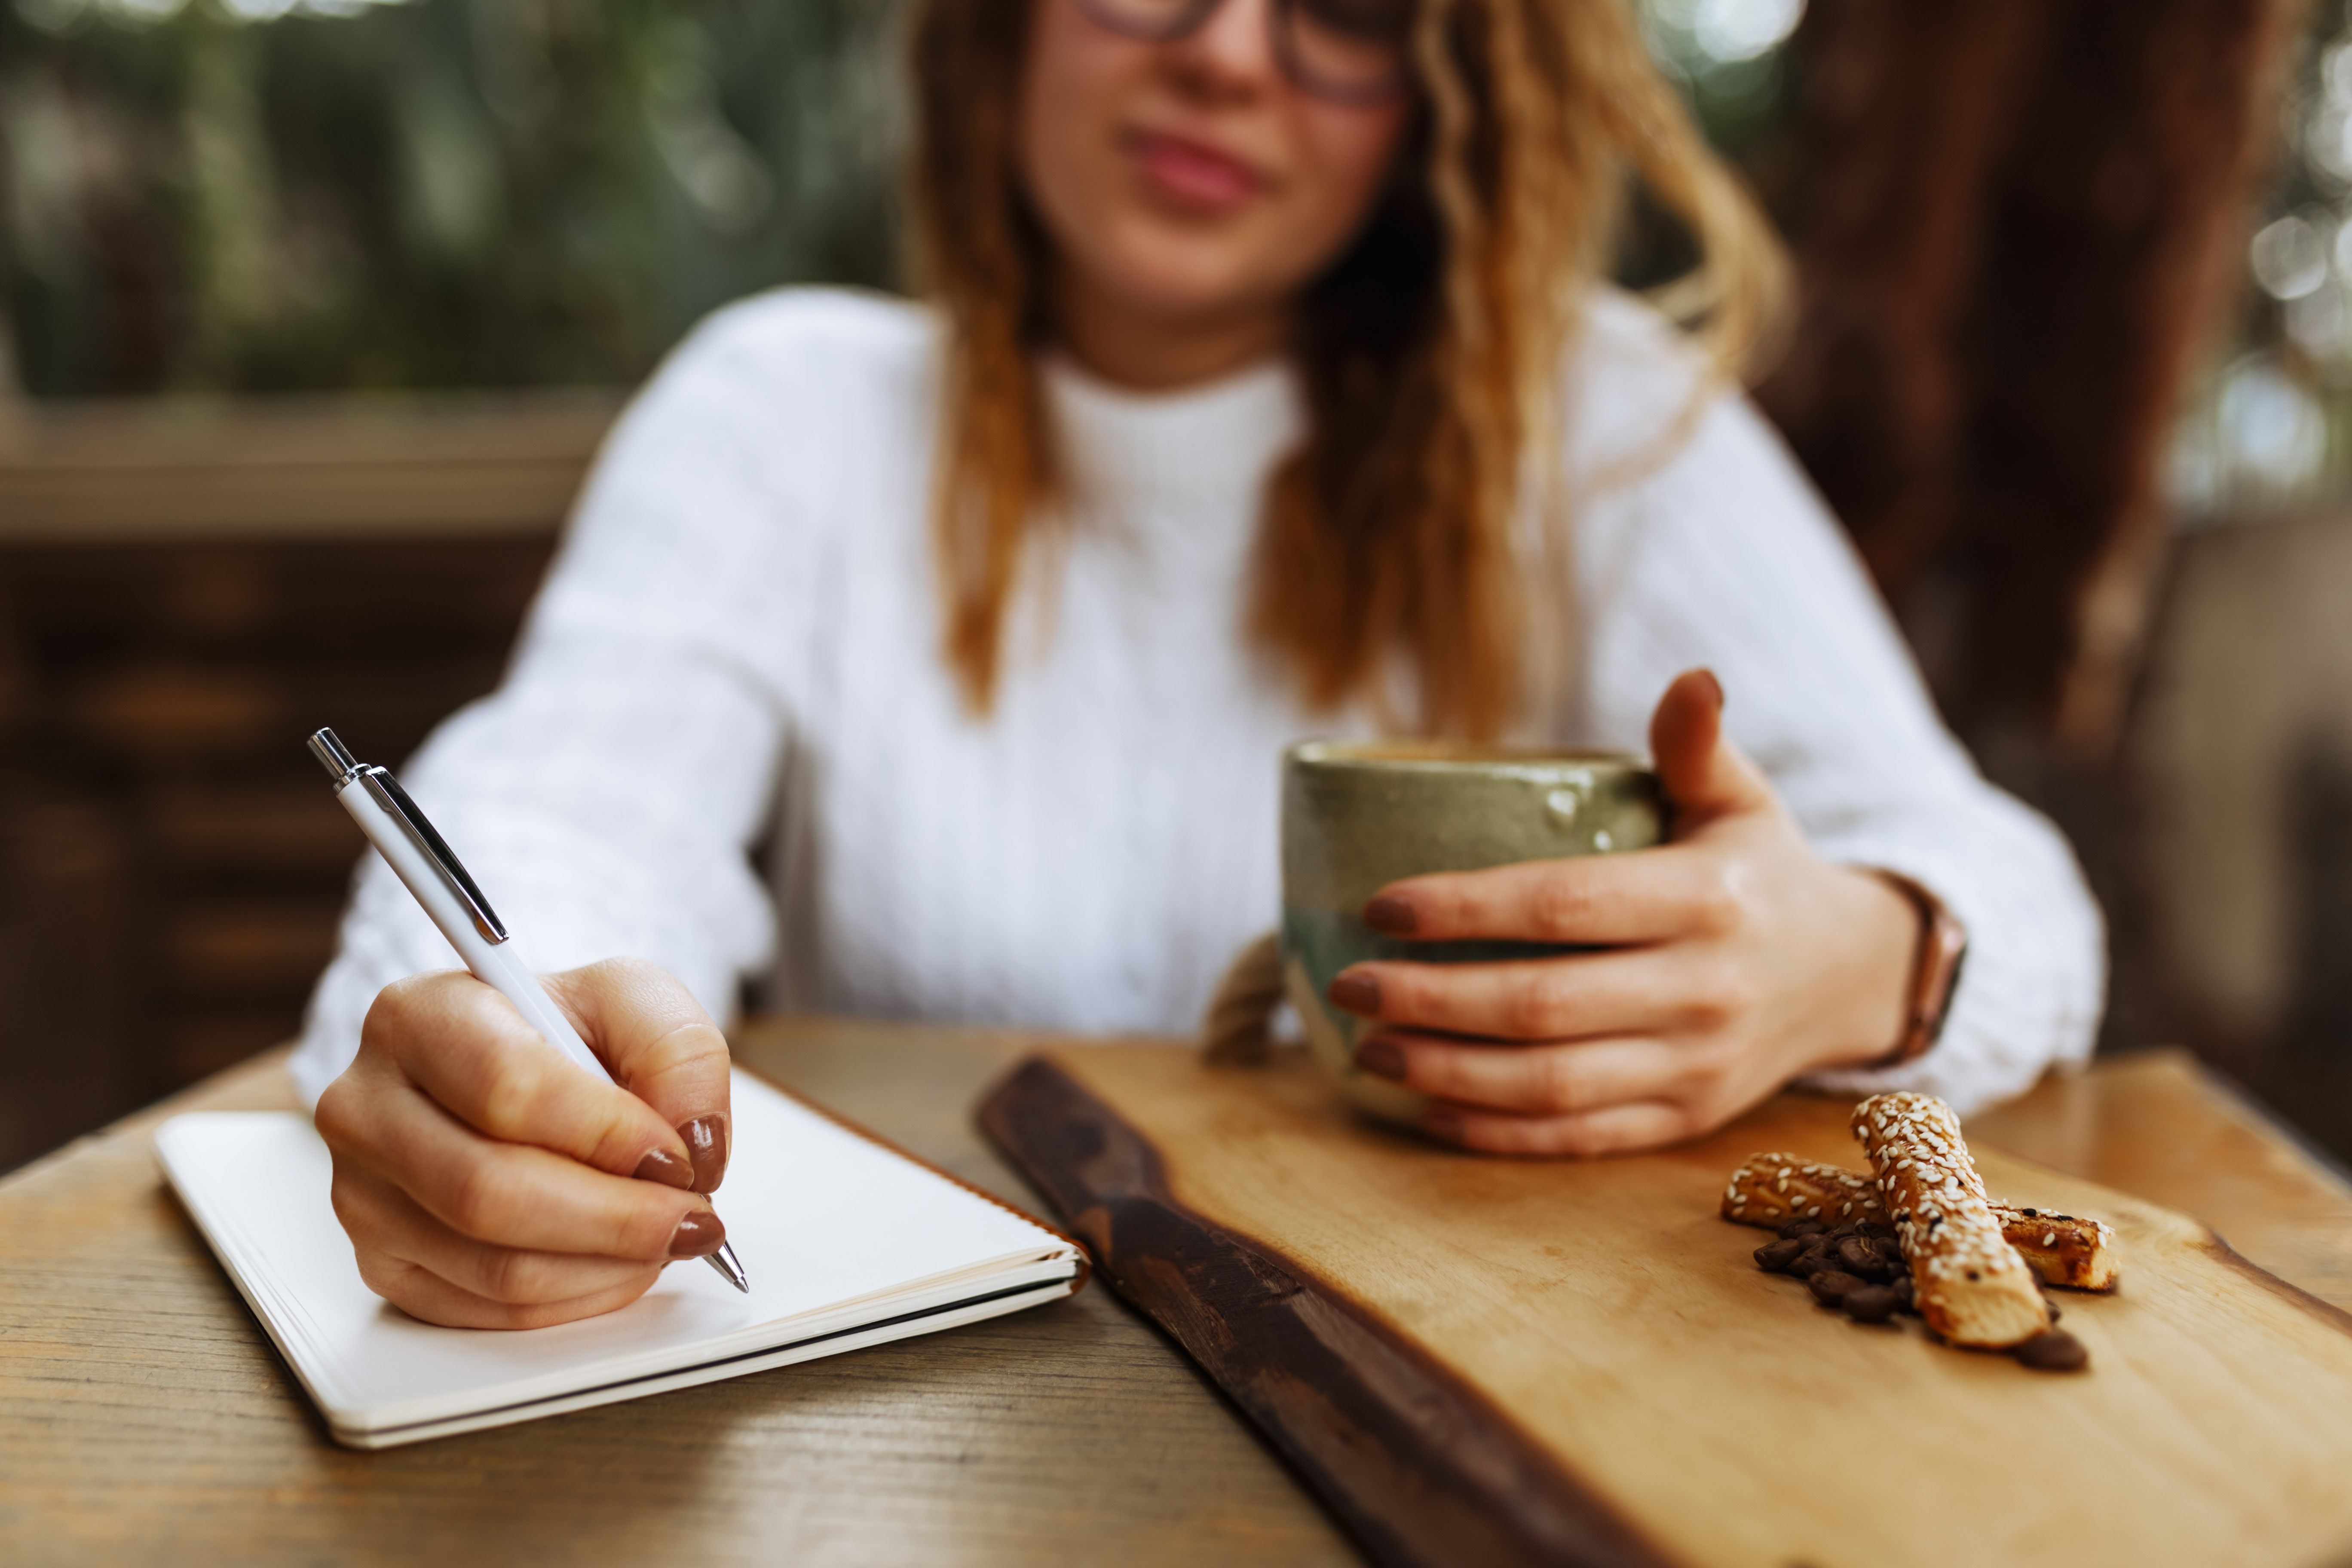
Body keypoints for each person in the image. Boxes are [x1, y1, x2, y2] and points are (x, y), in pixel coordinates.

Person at [294, 0, 2104, 1329]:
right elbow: (564, 811)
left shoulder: (1604, 426)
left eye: (1346, 15)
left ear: (1444, 84)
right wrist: (504, 1059)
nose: (1232, 52)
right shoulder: (786, 414)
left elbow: (2005, 881)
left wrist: (1863, 951)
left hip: (1504, 1395)